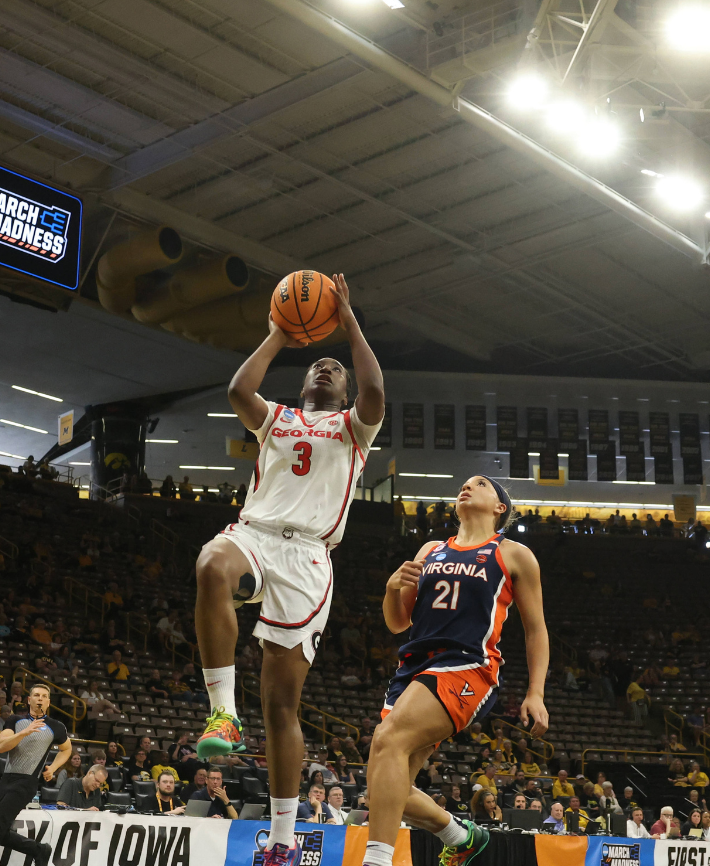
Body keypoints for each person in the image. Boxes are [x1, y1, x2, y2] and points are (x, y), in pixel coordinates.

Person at [193, 275, 384, 866]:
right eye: (317, 365)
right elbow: (236, 389)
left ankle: (280, 840)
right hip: (255, 533)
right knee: (210, 567)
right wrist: (280, 332)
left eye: (336, 368)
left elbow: (376, 390)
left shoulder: (355, 427)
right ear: (302, 380)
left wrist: (348, 323)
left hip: (307, 557)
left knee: (281, 705)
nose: (325, 369)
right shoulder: (274, 417)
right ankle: (222, 711)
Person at [363, 474, 548, 866]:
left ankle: (375, 862)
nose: (467, 486)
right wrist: (391, 588)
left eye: (480, 484)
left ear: (500, 507)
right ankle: (461, 836)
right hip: (414, 666)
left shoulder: (514, 554)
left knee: (388, 740)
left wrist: (536, 692)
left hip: (469, 666)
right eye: (464, 484)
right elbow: (398, 622)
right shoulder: (430, 549)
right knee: (384, 782)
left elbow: (536, 629)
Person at [0, 684, 72, 866]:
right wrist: (25, 732)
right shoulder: (15, 720)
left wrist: (53, 767)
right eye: (36, 695)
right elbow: (2, 746)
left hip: (27, 782)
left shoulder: (56, 727)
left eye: (44, 696)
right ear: (29, 699)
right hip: (6, 779)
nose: (40, 698)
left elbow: (67, 749)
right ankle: (39, 850)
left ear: (48, 702)